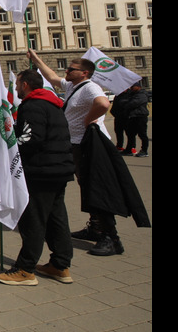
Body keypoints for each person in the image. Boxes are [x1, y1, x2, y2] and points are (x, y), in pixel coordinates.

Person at [26, 49, 120, 256]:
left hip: (90, 144)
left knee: (96, 187)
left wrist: (88, 121)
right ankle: (96, 228)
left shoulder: (90, 87)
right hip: (77, 145)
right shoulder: (72, 86)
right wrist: (36, 59)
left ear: (84, 73)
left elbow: (103, 103)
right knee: (87, 186)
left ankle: (110, 238)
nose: (66, 71)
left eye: (71, 69)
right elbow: (51, 76)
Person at [0, 70, 75, 286]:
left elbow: (31, 139)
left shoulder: (33, 105)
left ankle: (25, 269)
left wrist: (9, 145)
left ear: (26, 84)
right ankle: (60, 265)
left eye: (18, 83)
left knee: (34, 220)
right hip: (58, 169)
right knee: (57, 219)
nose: (17, 88)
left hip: (42, 171)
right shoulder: (52, 103)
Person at [123, 85, 150, 157]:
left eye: (133, 87)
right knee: (130, 134)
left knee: (142, 134)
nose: (131, 88)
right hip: (132, 116)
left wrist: (126, 102)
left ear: (138, 87)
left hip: (140, 116)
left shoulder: (142, 94)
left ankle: (144, 150)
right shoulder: (132, 94)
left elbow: (133, 104)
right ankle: (129, 150)